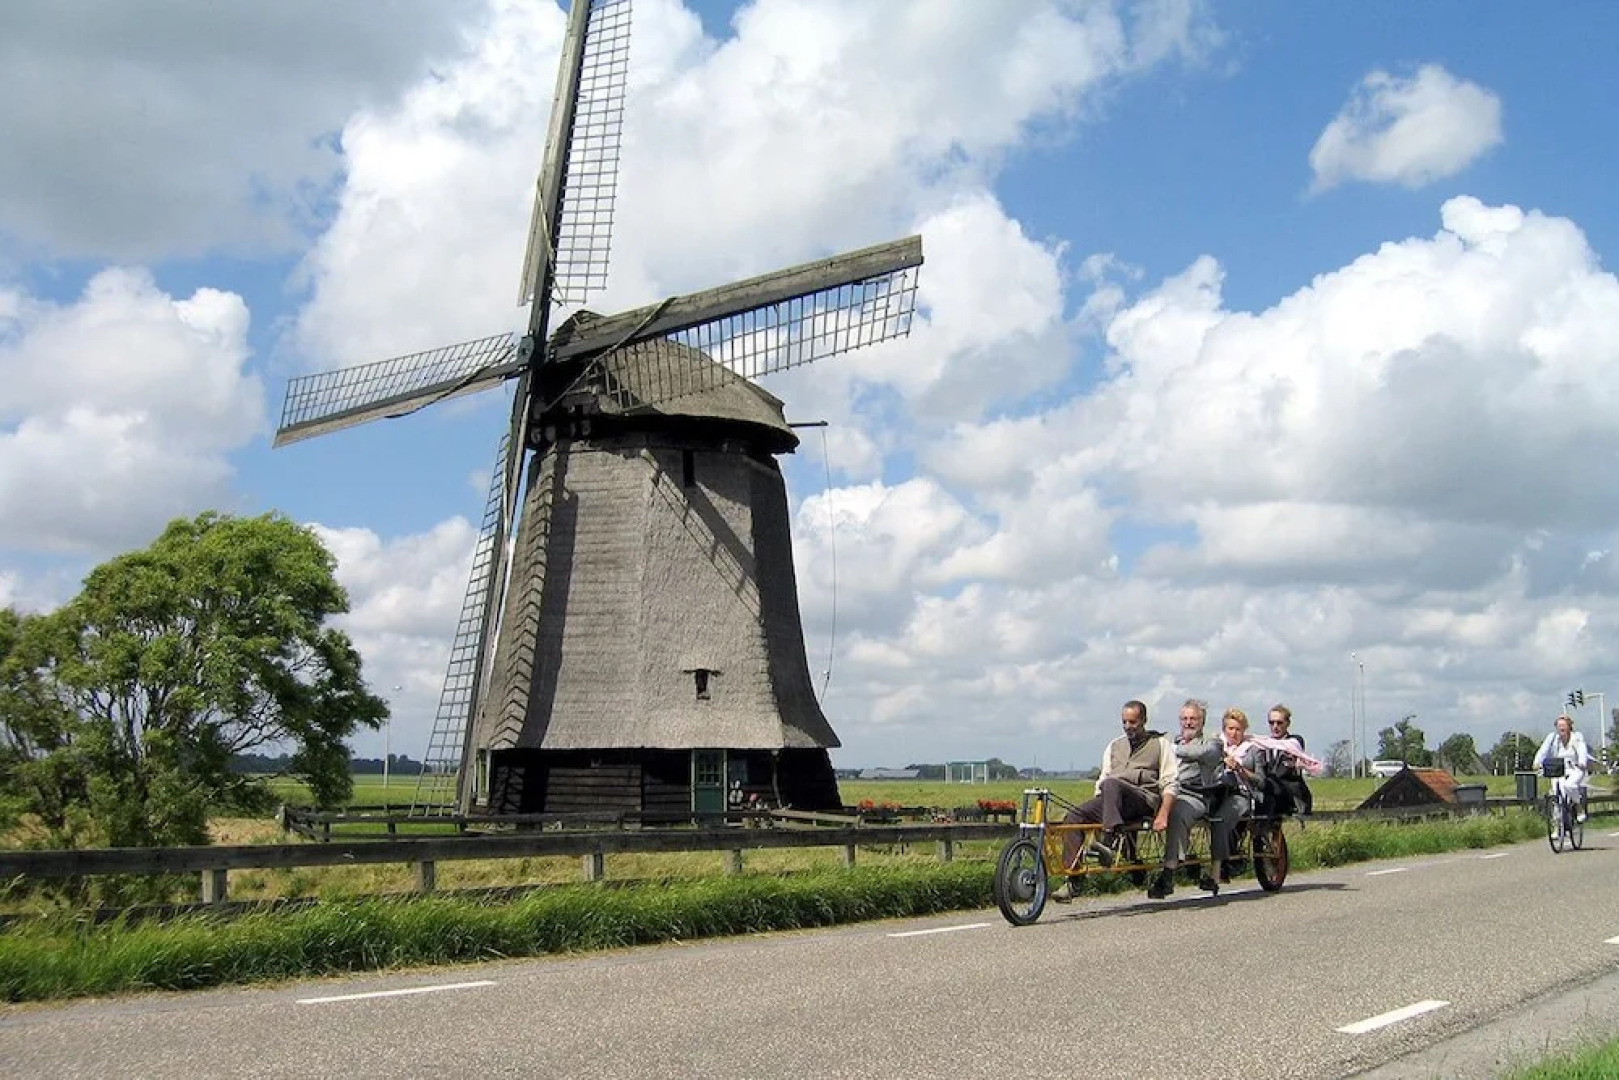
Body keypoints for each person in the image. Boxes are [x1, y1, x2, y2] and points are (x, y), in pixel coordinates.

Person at [1058, 700, 1174, 891]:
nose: (1128, 727)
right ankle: (1073, 879)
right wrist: (1099, 806)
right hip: (1113, 800)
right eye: (1124, 722)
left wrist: (1163, 814)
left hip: (1142, 799)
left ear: (1144, 720)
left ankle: (1108, 843)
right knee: (1075, 816)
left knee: (1112, 784)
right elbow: (1103, 778)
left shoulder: (1160, 745)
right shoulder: (1114, 746)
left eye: (1133, 722)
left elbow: (1170, 781)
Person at [1149, 699, 1224, 899]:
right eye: (1184, 718)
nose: (1188, 722)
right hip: (1167, 791)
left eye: (1193, 718)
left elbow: (1201, 753)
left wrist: (1169, 748)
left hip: (1195, 796)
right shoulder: (1173, 740)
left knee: (1176, 813)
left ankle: (1168, 875)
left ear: (1202, 721)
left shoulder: (1213, 742)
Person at [1534, 714, 1596, 823]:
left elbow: (1582, 750)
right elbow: (1543, 750)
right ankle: (1556, 825)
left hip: (1575, 768)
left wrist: (1582, 762)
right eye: (1559, 725)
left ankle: (1578, 806)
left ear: (1569, 726)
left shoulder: (1577, 736)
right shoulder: (1552, 738)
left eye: (1563, 725)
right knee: (1556, 795)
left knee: (1569, 785)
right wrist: (1537, 762)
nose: (1561, 728)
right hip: (1558, 769)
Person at [1259, 704, 1313, 816]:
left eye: (1279, 723)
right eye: (1271, 722)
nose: (1275, 726)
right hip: (1271, 795)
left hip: (1291, 795)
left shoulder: (1294, 742)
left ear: (1288, 723)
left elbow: (1283, 771)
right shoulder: (1264, 746)